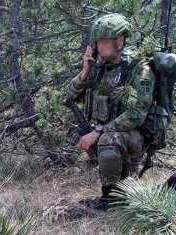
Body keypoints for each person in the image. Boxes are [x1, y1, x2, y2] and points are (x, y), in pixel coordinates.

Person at [67, 13, 155, 210]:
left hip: (137, 135)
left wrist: (98, 131)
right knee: (128, 191)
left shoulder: (140, 71)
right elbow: (71, 96)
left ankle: (109, 199)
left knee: (107, 140)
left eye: (106, 42)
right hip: (113, 133)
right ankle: (129, 194)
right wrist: (85, 71)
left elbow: (137, 114)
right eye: (98, 43)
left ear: (120, 40)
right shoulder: (101, 68)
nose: (100, 48)